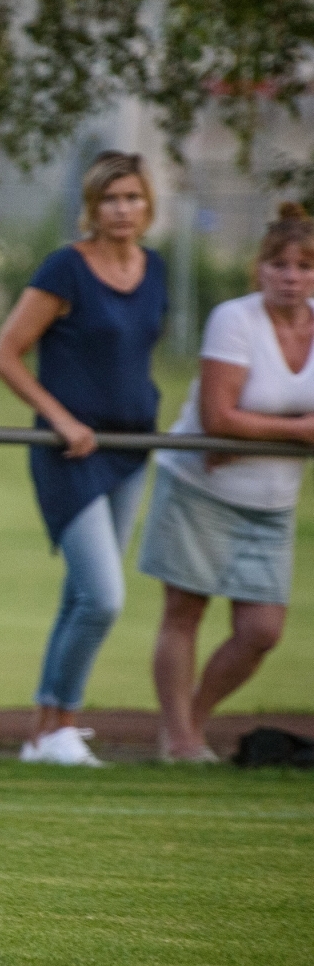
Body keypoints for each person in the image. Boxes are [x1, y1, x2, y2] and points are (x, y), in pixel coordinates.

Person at [0, 151, 167, 767]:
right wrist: (61, 418)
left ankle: (47, 732)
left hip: (131, 449)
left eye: (134, 198)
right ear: (93, 206)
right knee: (103, 597)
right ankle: (58, 723)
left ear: (149, 205)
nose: (123, 209)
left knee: (80, 595)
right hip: (70, 452)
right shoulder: (66, 268)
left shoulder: (157, 269)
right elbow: (5, 353)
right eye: (112, 198)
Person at [140, 204, 314, 762]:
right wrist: (301, 432)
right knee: (185, 611)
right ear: (258, 269)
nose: (291, 276)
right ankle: (181, 741)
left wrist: (251, 437)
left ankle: (191, 719)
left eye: (305, 266)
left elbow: (239, 426)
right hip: (201, 489)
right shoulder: (234, 321)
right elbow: (217, 420)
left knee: (262, 629)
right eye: (279, 265)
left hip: (273, 498)